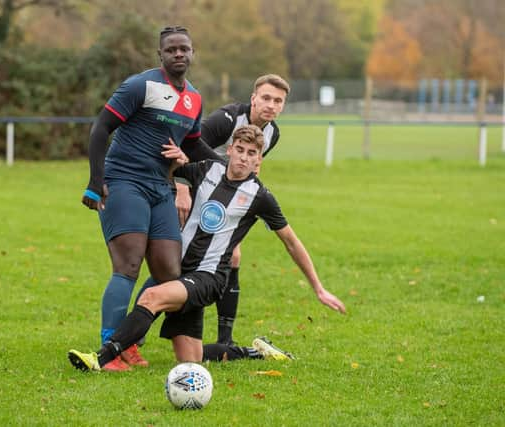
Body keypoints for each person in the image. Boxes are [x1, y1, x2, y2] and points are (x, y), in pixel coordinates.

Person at [69, 125, 346, 371]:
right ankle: (255, 352)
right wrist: (173, 160)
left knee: (152, 296)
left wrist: (319, 288)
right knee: (192, 359)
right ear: (229, 150)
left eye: (251, 153)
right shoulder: (207, 169)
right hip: (178, 270)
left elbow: (291, 242)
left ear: (258, 159)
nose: (244, 157)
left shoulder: (260, 197)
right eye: (240, 150)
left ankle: (101, 358)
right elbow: (170, 171)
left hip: (208, 277)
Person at [82, 25, 221, 371]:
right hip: (124, 181)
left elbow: (190, 143)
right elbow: (101, 128)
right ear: (160, 55)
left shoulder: (195, 98)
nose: (178, 54)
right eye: (171, 49)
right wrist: (95, 181)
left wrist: (228, 166)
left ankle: (128, 340)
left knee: (169, 272)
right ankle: (109, 345)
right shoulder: (139, 85)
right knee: (128, 266)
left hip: (162, 187)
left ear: (192, 53)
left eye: (184, 49)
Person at [175, 74, 290, 347]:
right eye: (265, 98)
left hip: (220, 198)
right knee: (174, 259)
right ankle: (137, 334)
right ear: (253, 98)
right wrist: (180, 188)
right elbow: (187, 145)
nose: (270, 105)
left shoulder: (272, 134)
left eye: (278, 101)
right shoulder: (226, 119)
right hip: (188, 186)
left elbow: (247, 171)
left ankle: (224, 340)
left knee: (231, 256)